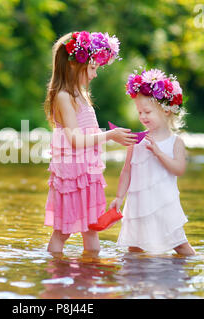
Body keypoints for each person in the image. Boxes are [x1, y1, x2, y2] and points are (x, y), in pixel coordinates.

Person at [44, 31, 137, 254]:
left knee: (91, 228)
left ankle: (91, 277)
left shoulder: (80, 94)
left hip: (88, 172)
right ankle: (55, 275)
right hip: (71, 173)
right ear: (76, 66)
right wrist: (110, 136)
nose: (95, 75)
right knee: (62, 232)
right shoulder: (64, 96)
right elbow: (75, 140)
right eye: (93, 68)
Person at [110, 68, 196, 256]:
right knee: (134, 248)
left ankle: (190, 272)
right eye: (139, 112)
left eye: (147, 112)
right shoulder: (137, 140)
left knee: (180, 245)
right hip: (139, 204)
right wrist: (119, 197)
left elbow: (179, 169)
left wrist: (158, 153)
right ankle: (137, 282)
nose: (142, 117)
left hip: (164, 203)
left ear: (166, 111)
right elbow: (126, 172)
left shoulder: (175, 142)